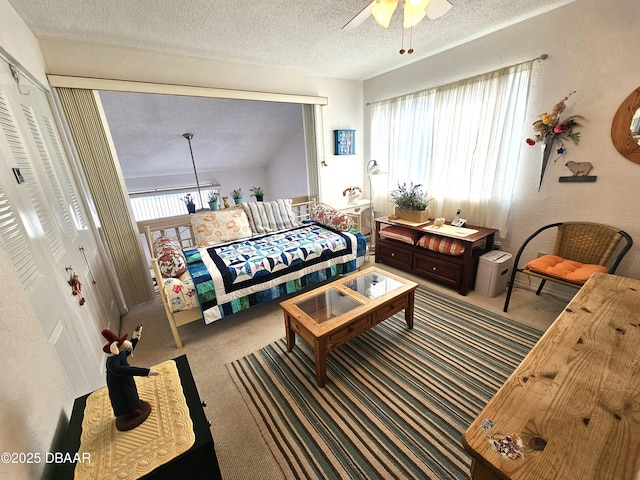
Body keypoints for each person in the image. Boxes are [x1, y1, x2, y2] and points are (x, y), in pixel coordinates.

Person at [101, 325, 159, 431]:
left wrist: (136, 336)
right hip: (119, 385)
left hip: (126, 380)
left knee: (132, 391)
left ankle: (135, 404)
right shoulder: (112, 364)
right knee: (125, 395)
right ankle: (130, 411)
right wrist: (146, 372)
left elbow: (129, 349)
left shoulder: (118, 354)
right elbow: (126, 370)